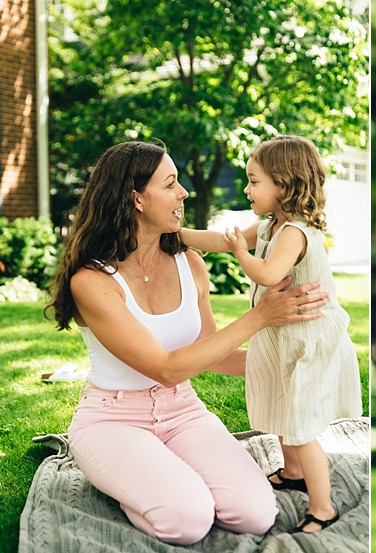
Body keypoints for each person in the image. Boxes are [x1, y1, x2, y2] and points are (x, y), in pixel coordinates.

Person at [45, 140, 328, 545]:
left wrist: (297, 359)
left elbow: (213, 353)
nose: (184, 193)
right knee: (188, 520)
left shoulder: (190, 264)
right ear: (136, 198)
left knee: (256, 514)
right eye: (171, 183)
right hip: (112, 420)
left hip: (183, 412)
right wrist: (260, 317)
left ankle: (159, 480)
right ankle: (135, 486)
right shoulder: (92, 281)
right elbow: (165, 367)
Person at [181, 135, 363, 534]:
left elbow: (267, 273)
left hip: (308, 340)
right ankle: (293, 472)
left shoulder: (295, 232)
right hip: (285, 335)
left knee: (299, 424)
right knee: (283, 404)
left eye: (253, 181)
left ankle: (323, 507)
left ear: (284, 183)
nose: (246, 189)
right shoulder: (270, 225)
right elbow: (220, 241)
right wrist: (180, 236)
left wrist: (243, 255)